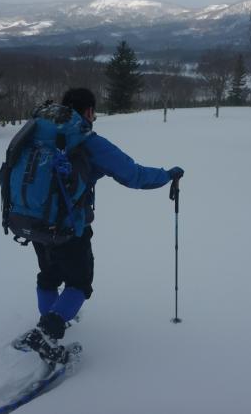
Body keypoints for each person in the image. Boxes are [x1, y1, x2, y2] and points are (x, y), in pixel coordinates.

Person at [14, 87, 184, 363]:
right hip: (68, 228)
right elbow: (134, 175)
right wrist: (167, 175)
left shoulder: (38, 132)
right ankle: (46, 333)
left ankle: (48, 320)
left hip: (32, 220)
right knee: (79, 282)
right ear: (89, 111)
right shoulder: (86, 140)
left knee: (49, 274)